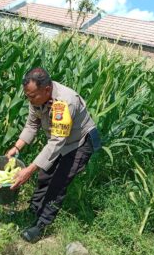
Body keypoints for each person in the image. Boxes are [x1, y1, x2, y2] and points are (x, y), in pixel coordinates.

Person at [6, 67, 101, 243]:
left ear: (47, 89)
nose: (30, 99)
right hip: (59, 140)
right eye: (27, 95)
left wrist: (29, 169)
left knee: (59, 182)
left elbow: (57, 142)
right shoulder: (35, 96)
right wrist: (17, 147)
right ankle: (33, 210)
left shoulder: (64, 102)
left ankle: (41, 225)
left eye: (33, 96)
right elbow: (31, 125)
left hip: (79, 142)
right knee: (45, 175)